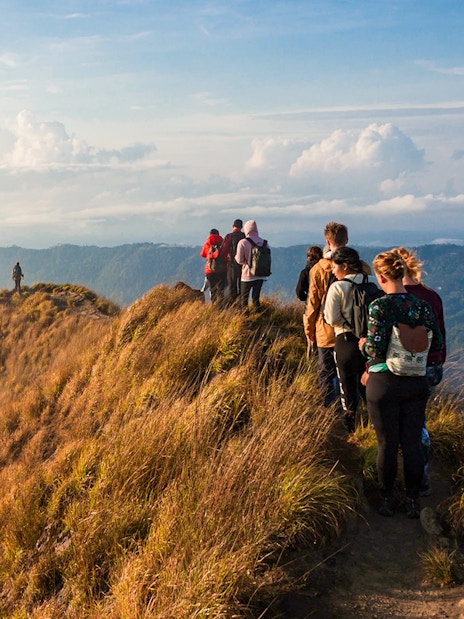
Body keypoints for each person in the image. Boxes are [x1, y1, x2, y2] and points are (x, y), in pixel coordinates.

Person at [359, 251, 444, 519]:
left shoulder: (379, 307)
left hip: (384, 383)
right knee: (411, 443)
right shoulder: (422, 306)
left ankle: (386, 500)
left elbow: (374, 349)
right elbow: (437, 342)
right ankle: (412, 501)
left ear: (381, 277)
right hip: (415, 381)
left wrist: (363, 345)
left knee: (387, 443)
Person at [392, 246, 447, 496]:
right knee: (420, 418)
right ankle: (421, 476)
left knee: (408, 423)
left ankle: (408, 480)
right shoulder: (432, 297)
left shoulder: (396, 300)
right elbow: (441, 337)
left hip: (406, 368)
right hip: (432, 367)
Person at [306, 222, 359, 407]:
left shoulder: (318, 269)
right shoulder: (358, 266)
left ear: (327, 241)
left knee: (326, 371)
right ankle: (352, 409)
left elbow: (312, 303)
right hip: (353, 329)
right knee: (351, 372)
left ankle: (329, 409)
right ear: (346, 240)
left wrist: (309, 328)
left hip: (325, 329)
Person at [323, 247, 368, 433]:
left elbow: (331, 319)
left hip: (345, 339)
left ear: (345, 266)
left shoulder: (338, 287)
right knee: (367, 384)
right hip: (369, 341)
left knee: (346, 386)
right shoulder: (370, 282)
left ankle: (350, 427)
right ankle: (373, 423)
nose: (333, 271)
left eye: (335, 267)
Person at [235, 219, 269, 311]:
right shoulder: (264, 243)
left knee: (244, 299)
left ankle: (246, 318)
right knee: (256, 298)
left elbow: (239, 260)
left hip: (247, 275)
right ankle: (258, 315)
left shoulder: (243, 242)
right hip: (261, 274)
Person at [297, 246, 323, 358]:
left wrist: (306, 298)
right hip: (323, 308)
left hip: (309, 307)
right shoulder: (324, 271)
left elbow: (299, 292)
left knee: (310, 339)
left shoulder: (305, 272)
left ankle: (310, 365)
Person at [200, 229, 227, 305]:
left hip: (210, 271)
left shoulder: (207, 244)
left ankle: (214, 306)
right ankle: (221, 307)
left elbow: (202, 254)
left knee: (213, 290)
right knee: (221, 289)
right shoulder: (223, 244)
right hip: (222, 270)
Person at [222, 219, 245, 306]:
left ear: (233, 226)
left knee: (232, 284)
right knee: (242, 285)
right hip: (243, 265)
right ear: (241, 227)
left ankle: (233, 304)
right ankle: (242, 303)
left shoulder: (229, 236)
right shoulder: (245, 236)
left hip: (232, 264)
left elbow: (223, 250)